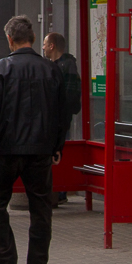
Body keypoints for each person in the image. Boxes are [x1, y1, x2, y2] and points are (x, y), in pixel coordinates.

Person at [0, 15, 66, 264]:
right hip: (39, 151)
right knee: (41, 209)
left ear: (10, 40)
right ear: (34, 39)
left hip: (3, 151)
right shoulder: (52, 70)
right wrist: (57, 146)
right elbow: (63, 114)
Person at [42, 32, 82, 206]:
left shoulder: (67, 66)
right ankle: (55, 190)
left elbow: (71, 94)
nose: (43, 47)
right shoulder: (52, 65)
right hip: (52, 117)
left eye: (45, 44)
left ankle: (60, 191)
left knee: (60, 151)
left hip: (61, 118)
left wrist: (60, 111)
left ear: (52, 46)